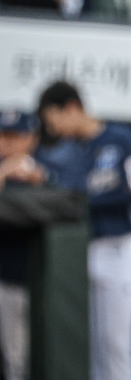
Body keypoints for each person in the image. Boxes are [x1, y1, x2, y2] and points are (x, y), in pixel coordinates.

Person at [37, 81, 131, 380]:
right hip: (83, 250)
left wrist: (86, 200)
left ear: (73, 108)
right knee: (90, 345)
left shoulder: (123, 137)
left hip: (120, 247)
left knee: (118, 344)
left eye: (56, 121)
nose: (57, 130)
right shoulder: (69, 153)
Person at [0, 110, 53, 380]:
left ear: (31, 138)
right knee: (14, 359)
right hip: (7, 278)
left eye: (15, 136)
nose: (7, 143)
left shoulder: (49, 165)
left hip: (46, 283)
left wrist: (41, 180)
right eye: (2, 136)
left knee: (42, 355)